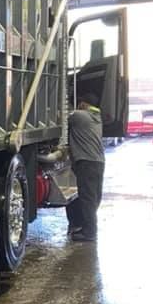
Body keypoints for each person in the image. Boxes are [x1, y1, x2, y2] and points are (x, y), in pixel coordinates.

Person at [66, 93, 105, 243]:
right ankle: (86, 226)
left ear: (83, 104)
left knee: (87, 198)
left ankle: (89, 232)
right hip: (98, 161)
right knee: (94, 197)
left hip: (86, 162)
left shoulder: (79, 116)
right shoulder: (97, 119)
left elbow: (62, 119)